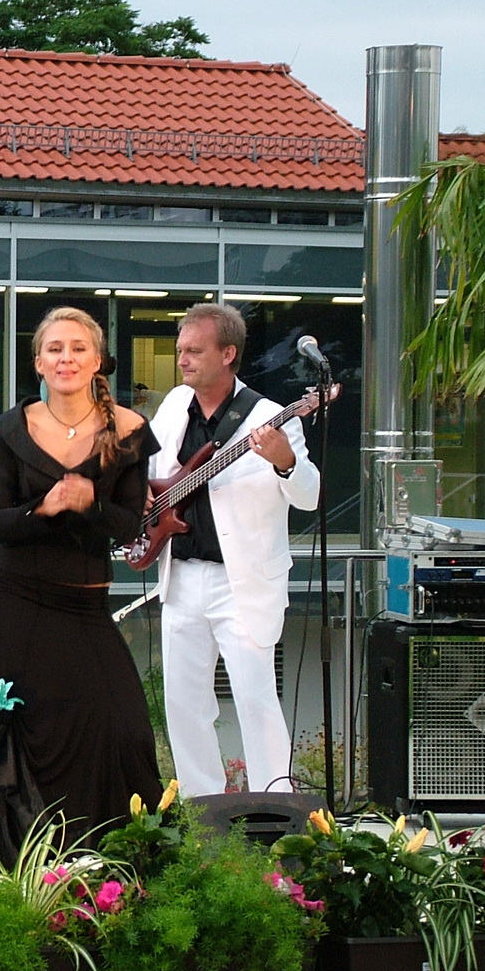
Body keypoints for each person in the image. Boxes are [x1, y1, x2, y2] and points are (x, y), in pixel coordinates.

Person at [0, 306, 163, 843]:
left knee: (122, 724)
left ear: (98, 360)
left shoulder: (129, 431)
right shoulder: (9, 429)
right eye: (55, 349)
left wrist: (87, 502)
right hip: (18, 602)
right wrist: (44, 509)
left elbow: (131, 525)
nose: (66, 358)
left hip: (84, 604)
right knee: (35, 727)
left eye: (78, 348)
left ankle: (113, 851)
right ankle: (33, 858)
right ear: (38, 361)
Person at [148, 303, 320, 796]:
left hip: (241, 581)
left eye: (194, 351)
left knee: (255, 698)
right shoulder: (174, 406)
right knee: (184, 704)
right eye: (181, 350)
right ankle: (204, 812)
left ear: (228, 354)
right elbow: (152, 470)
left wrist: (286, 462)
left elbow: (308, 496)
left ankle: (275, 808)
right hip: (180, 574)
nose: (183, 360)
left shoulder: (269, 418)